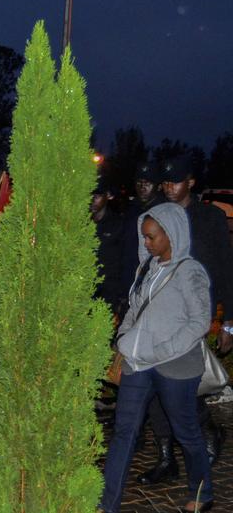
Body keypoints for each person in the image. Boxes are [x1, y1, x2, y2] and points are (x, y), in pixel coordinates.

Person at [100, 202, 214, 513]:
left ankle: (202, 493)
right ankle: (107, 504)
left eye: (152, 237)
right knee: (124, 431)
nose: (146, 243)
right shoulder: (146, 269)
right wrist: (124, 338)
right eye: (144, 237)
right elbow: (134, 309)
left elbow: (200, 322)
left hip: (176, 366)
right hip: (139, 363)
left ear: (172, 234)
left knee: (185, 431)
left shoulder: (190, 271)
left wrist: (163, 350)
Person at [136, 156, 232, 486]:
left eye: (174, 181)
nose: (168, 187)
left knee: (182, 385)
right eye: (164, 182)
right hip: (159, 313)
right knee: (156, 386)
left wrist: (229, 322)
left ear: (190, 182)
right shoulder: (157, 215)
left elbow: (225, 268)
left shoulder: (210, 218)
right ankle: (166, 459)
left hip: (193, 316)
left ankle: (207, 429)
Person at [121, 161, 165, 297]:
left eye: (147, 183)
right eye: (139, 182)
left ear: (158, 186)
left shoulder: (166, 212)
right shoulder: (131, 209)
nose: (142, 187)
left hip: (154, 283)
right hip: (129, 280)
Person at [90, 177, 125, 314]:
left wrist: (120, 297)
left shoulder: (118, 224)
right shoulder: (81, 221)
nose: (92, 199)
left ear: (108, 196)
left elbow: (123, 261)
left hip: (108, 292)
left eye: (97, 196)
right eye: (90, 194)